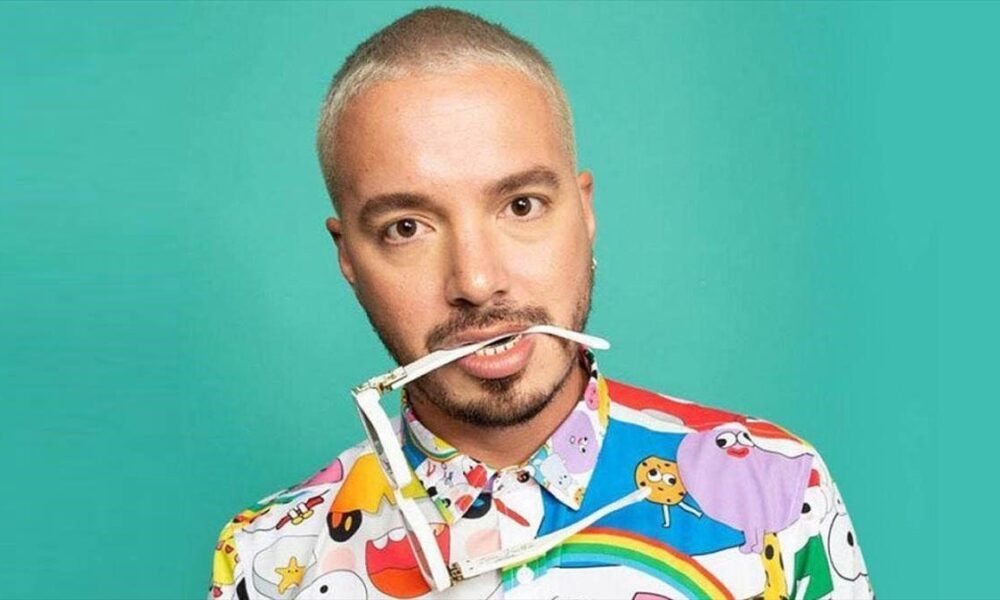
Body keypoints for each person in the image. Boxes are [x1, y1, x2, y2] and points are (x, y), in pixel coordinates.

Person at [206, 7, 872, 599]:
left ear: (584, 213)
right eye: (406, 227)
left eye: (521, 206)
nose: (477, 280)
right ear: (349, 257)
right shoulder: (269, 558)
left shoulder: (775, 485)